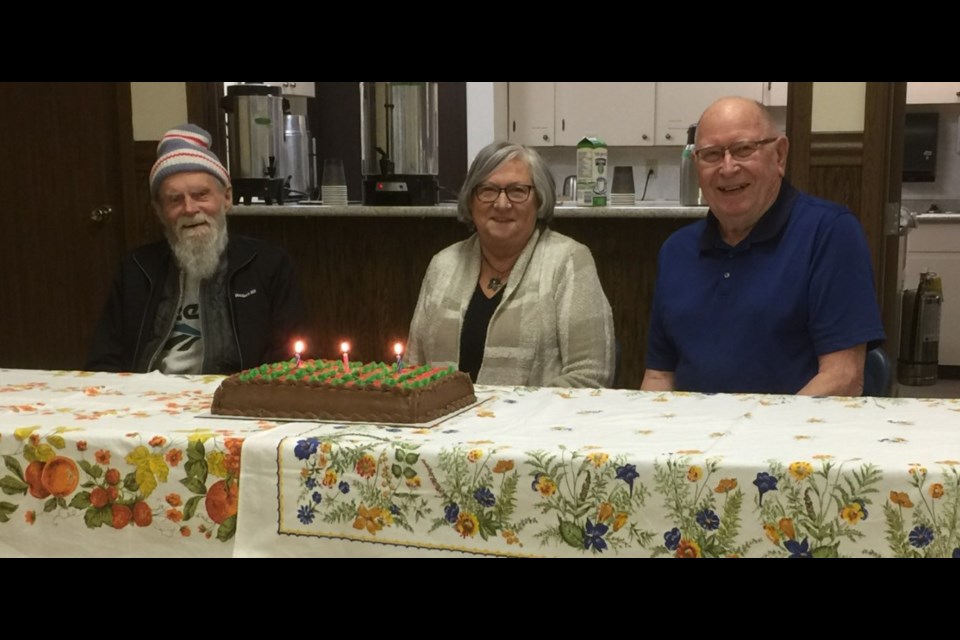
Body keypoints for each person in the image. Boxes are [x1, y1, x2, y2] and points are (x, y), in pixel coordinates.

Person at [642, 97, 885, 396]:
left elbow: (843, 378)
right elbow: (658, 377)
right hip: (694, 438)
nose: (727, 168)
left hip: (793, 437)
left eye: (744, 149)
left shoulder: (830, 233)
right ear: (696, 166)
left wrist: (758, 438)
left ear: (779, 156)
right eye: (712, 155)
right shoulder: (675, 251)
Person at [86, 124, 306, 374]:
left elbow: (289, 363)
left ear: (227, 198)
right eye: (174, 199)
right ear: (159, 210)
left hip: (233, 398)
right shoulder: (135, 270)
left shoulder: (269, 265)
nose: (190, 209)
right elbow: (103, 362)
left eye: (201, 195)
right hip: (147, 400)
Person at [407, 140, 615, 387]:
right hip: (444, 423)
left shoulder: (569, 262)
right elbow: (413, 367)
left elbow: (590, 377)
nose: (502, 204)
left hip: (536, 424)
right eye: (488, 190)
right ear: (471, 201)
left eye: (517, 191)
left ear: (539, 200)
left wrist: (509, 417)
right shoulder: (443, 265)